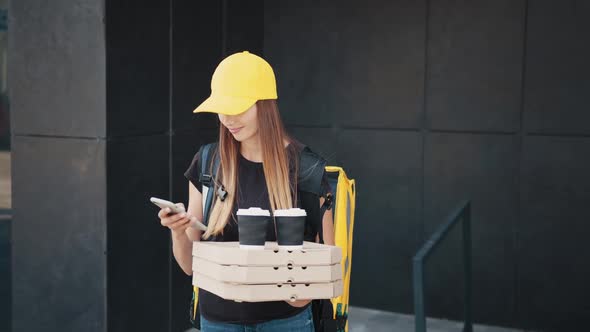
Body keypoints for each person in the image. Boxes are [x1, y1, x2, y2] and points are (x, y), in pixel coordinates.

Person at [157, 51, 334, 331]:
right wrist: (178, 230)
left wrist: (294, 293)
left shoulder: (308, 171)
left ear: (265, 105)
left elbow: (325, 265)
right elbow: (190, 266)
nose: (227, 118)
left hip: (286, 322)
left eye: (237, 107)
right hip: (216, 321)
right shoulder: (207, 163)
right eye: (221, 107)